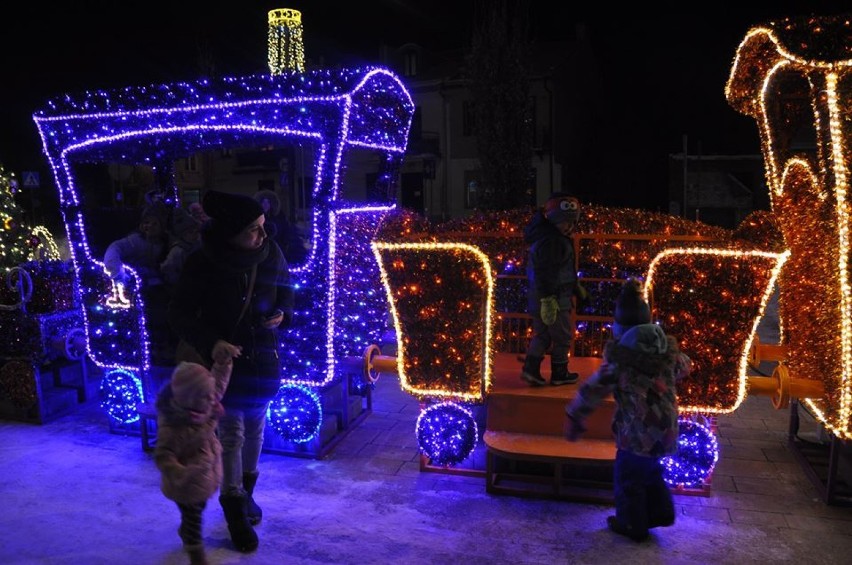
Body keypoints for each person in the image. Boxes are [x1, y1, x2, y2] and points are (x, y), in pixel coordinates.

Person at [169, 189, 294, 553]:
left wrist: (283, 316)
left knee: (256, 427)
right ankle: (234, 504)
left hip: (264, 357)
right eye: (254, 229)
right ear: (230, 233)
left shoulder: (271, 253)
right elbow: (178, 315)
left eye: (263, 226)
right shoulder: (203, 261)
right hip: (224, 365)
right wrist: (212, 343)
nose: (262, 235)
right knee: (232, 434)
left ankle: (247, 493)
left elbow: (288, 294)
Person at [564, 279, 692, 542]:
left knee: (628, 480)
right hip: (666, 429)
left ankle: (631, 524)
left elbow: (593, 390)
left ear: (619, 328)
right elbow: (685, 365)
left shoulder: (620, 361)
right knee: (651, 471)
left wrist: (575, 416)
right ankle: (660, 513)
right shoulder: (667, 353)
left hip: (636, 434)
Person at [154, 343, 241, 565]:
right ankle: (196, 554)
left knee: (198, 509)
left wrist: (223, 362)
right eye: (207, 397)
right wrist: (179, 472)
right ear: (189, 401)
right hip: (185, 481)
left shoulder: (204, 402)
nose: (213, 400)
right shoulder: (174, 427)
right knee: (194, 518)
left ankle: (186, 529)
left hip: (202, 474)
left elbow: (217, 385)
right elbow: (163, 454)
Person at [520, 192, 586, 386]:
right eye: (567, 222)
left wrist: (575, 287)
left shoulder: (543, 237)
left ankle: (531, 369)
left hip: (540, 296)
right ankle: (560, 372)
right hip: (555, 298)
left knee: (542, 334)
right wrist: (551, 297)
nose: (570, 226)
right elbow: (551, 272)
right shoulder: (554, 241)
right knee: (562, 335)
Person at [103, 201, 172, 361]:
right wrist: (117, 272)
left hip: (157, 283)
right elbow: (114, 249)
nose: (149, 226)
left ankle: (163, 344)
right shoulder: (135, 241)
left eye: (155, 223)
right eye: (146, 222)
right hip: (136, 284)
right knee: (155, 309)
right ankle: (152, 347)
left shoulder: (165, 244)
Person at [253, 189, 307, 265]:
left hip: (278, 251)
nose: (265, 205)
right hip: (261, 252)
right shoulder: (256, 218)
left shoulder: (280, 217)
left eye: (268, 202)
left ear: (271, 204)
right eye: (263, 202)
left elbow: (287, 232)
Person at [161, 207, 202, 287]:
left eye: (196, 231)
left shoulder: (199, 245)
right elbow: (167, 268)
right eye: (190, 232)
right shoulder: (178, 251)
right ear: (182, 235)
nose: (195, 235)